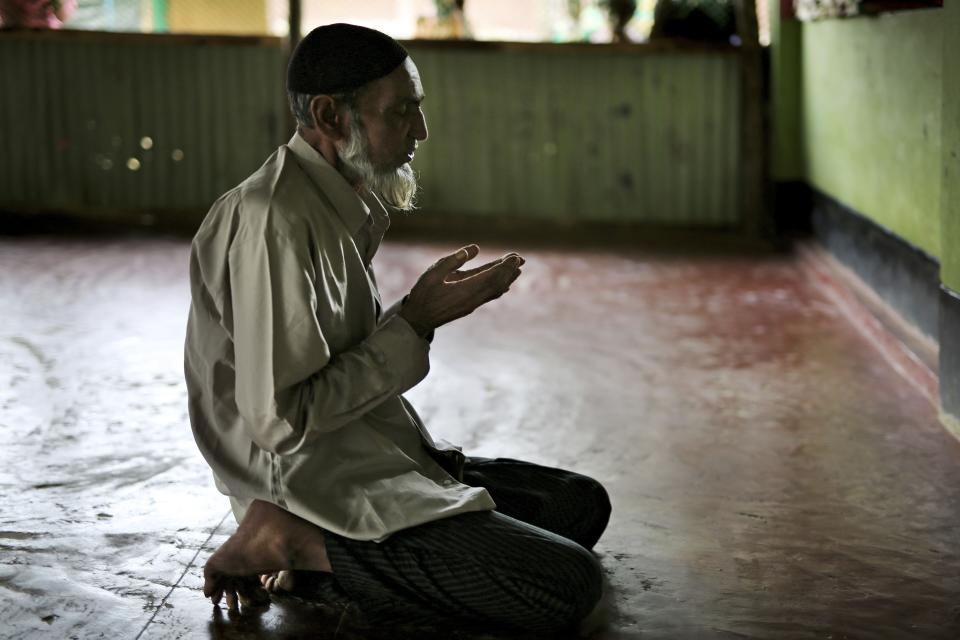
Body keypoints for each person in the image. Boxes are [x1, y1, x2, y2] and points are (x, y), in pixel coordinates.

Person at [184, 23, 611, 635]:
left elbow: (333, 362)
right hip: (303, 482)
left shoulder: (332, 202)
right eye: (402, 112)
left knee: (578, 503)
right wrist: (414, 321)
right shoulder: (274, 219)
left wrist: (416, 322)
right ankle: (296, 541)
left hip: (363, 452)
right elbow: (279, 422)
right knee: (563, 584)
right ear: (331, 116)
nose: (421, 131)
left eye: (418, 108)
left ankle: (365, 548)